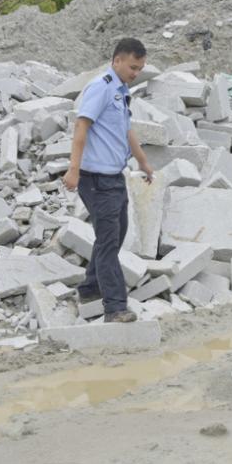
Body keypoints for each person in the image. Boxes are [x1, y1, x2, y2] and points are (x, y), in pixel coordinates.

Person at [62, 38, 155, 323]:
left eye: (139, 69)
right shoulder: (100, 87)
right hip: (95, 179)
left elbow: (126, 130)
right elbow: (82, 126)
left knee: (114, 236)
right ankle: (115, 307)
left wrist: (143, 162)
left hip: (114, 177)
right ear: (117, 61)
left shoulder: (121, 90)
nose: (135, 73)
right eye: (132, 67)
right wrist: (73, 169)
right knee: (108, 240)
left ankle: (90, 288)